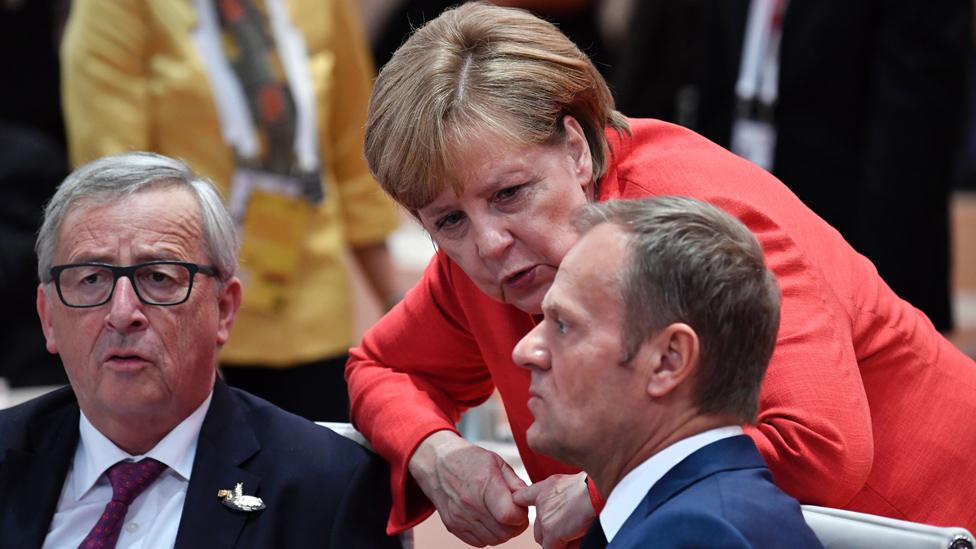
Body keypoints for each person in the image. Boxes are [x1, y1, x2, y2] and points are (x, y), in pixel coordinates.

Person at [348, 2, 976, 546]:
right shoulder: (492, 250)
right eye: (448, 221)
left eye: (512, 194)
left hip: (925, 516)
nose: (489, 242)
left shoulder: (697, 223)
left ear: (576, 147)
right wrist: (439, 453)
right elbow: (380, 369)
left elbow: (819, 445)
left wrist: (601, 492)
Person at [0, 152, 400, 549]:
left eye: (159, 277)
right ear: (48, 317)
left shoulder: (327, 488)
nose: (122, 313)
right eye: (91, 279)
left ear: (224, 309)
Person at [60, 0, 401, 422]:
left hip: (317, 313)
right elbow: (118, 192)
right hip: (186, 315)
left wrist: (398, 304)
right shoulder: (116, 7)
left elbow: (353, 151)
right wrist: (183, 339)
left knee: (320, 473)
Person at [513, 196, 823, 548]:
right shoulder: (693, 516)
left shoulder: (697, 536)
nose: (525, 352)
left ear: (668, 360)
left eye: (564, 325)